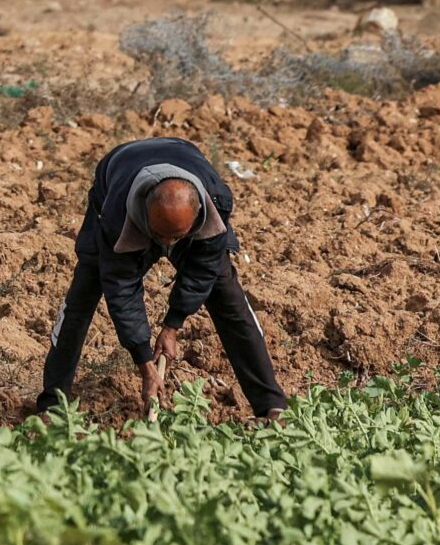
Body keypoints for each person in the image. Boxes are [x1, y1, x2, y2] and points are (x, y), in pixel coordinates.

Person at [32, 136, 287, 420]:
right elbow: (121, 291)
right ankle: (51, 405)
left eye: (175, 237)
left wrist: (172, 325)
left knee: (228, 295)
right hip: (118, 176)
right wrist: (145, 363)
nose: (166, 244)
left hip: (184, 162)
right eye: (160, 235)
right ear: (145, 213)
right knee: (84, 291)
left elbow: (203, 269)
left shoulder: (216, 204)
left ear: (197, 216)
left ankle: (271, 403)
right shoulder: (116, 219)